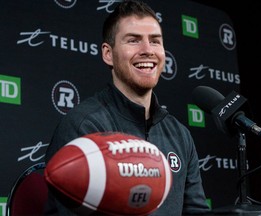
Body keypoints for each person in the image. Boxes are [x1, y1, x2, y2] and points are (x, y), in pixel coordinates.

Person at [45, 0, 210, 215]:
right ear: (108, 54)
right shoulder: (84, 127)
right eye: (133, 40)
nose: (147, 50)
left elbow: (196, 211)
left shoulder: (180, 134)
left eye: (155, 41)